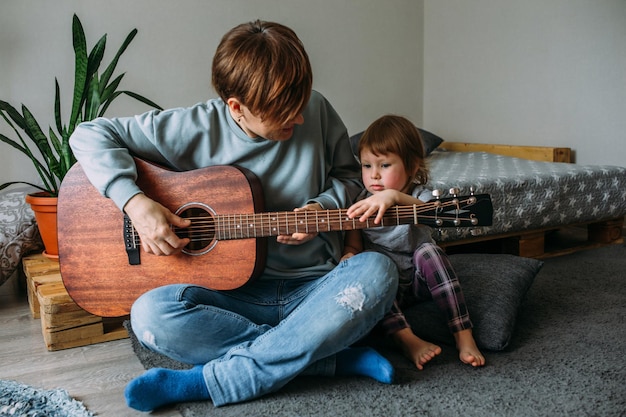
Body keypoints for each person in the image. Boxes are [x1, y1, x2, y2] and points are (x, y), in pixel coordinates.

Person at [69, 20, 399, 411]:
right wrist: (135, 203)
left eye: (300, 106)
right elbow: (88, 134)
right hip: (230, 299)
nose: (298, 120)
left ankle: (214, 378)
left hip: (315, 289)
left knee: (378, 271)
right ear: (237, 108)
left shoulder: (317, 110)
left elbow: (348, 178)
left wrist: (319, 210)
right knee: (149, 316)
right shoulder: (192, 127)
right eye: (283, 114)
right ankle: (321, 357)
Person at [342, 115, 485, 371]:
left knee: (429, 251)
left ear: (412, 166)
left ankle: (463, 335)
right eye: (366, 165)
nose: (374, 174)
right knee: (367, 268)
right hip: (386, 288)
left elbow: (435, 214)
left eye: (384, 165)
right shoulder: (360, 201)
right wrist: (349, 255)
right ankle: (407, 340)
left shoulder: (418, 196)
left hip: (420, 283)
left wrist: (394, 196)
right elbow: (353, 245)